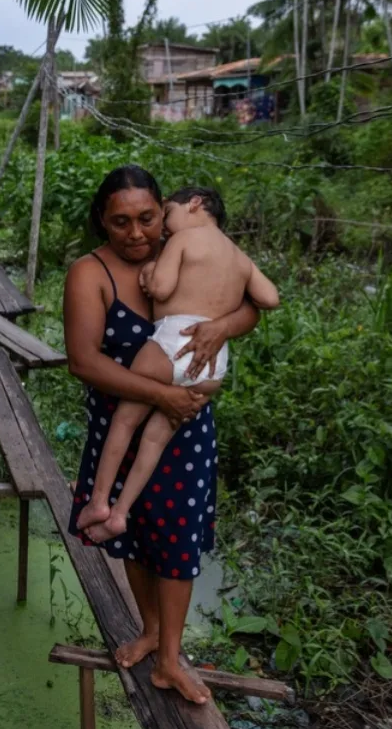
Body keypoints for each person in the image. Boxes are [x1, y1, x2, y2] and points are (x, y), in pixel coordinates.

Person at [65, 166, 262, 705]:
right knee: (132, 534)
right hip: (120, 428)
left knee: (176, 539)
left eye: (147, 219)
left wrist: (222, 325)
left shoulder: (188, 248)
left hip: (185, 429)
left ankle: (170, 660)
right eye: (120, 222)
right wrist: (161, 394)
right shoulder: (90, 274)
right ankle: (150, 630)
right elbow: (83, 362)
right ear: (101, 221)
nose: (137, 233)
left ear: (164, 210)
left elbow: (252, 304)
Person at [77, 187, 279, 544]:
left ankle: (99, 501)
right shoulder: (239, 256)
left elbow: (162, 288)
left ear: (195, 204)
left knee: (124, 421)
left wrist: (150, 271)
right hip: (211, 367)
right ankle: (120, 514)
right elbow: (269, 298)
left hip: (175, 339)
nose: (165, 227)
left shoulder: (184, 239)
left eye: (167, 213)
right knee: (154, 440)